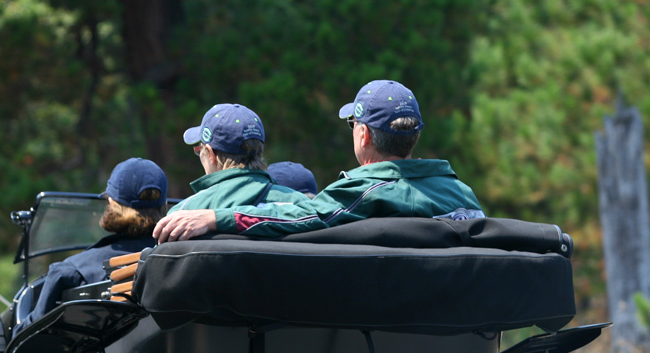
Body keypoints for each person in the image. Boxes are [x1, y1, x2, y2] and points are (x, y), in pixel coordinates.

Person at [153, 80, 483, 242]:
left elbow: (299, 217)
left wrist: (216, 217)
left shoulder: (365, 192)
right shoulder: (461, 193)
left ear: (363, 134)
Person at [16, 157, 168, 331]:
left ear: (111, 203)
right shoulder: (182, 259)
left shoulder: (70, 272)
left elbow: (28, 336)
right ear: (164, 204)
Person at [166, 102, 305, 214]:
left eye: (199, 151)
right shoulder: (300, 205)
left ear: (210, 154)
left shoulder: (184, 214)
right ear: (259, 154)